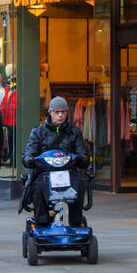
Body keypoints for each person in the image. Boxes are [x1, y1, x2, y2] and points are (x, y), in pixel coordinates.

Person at [21, 96, 90, 226]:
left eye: (63, 112)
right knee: (37, 187)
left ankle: (75, 221)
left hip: (68, 173)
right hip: (45, 174)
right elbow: (28, 153)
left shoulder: (74, 132)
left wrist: (80, 159)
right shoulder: (38, 132)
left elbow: (84, 155)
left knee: (79, 185)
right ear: (50, 112)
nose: (60, 115)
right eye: (56, 112)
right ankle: (42, 221)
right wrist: (30, 160)